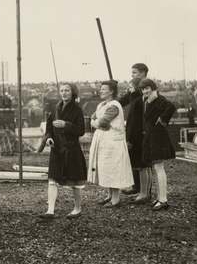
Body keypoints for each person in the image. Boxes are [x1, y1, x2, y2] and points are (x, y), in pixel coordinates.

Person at [37, 83, 87, 219]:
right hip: (56, 149)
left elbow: (81, 130)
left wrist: (66, 125)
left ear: (72, 93)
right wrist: (49, 139)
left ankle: (77, 208)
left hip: (71, 149)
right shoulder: (55, 108)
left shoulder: (77, 110)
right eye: (62, 90)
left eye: (67, 90)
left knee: (75, 181)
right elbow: (49, 129)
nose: (64, 93)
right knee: (52, 180)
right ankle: (50, 210)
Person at [88, 80, 134, 207]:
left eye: (104, 89)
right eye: (101, 89)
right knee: (105, 168)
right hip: (104, 141)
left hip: (113, 142)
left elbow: (101, 122)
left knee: (113, 169)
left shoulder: (114, 105)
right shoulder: (102, 104)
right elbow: (92, 117)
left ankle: (116, 199)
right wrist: (96, 122)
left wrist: (96, 123)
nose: (101, 91)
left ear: (111, 91)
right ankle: (109, 195)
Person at [139, 78, 176, 210]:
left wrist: (162, 120)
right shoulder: (148, 101)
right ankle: (160, 198)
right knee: (156, 168)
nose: (145, 91)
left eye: (147, 88)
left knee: (159, 168)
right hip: (152, 137)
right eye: (143, 89)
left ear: (153, 88)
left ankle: (163, 200)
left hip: (158, 137)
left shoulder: (158, 99)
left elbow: (171, 107)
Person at [119, 63, 149, 196]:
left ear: (143, 73)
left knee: (141, 162)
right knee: (134, 159)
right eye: (132, 73)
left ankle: (144, 190)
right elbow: (122, 101)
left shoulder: (146, 89)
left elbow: (140, 106)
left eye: (135, 73)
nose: (132, 75)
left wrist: (134, 92)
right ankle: (137, 187)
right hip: (132, 127)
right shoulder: (134, 90)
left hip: (140, 130)